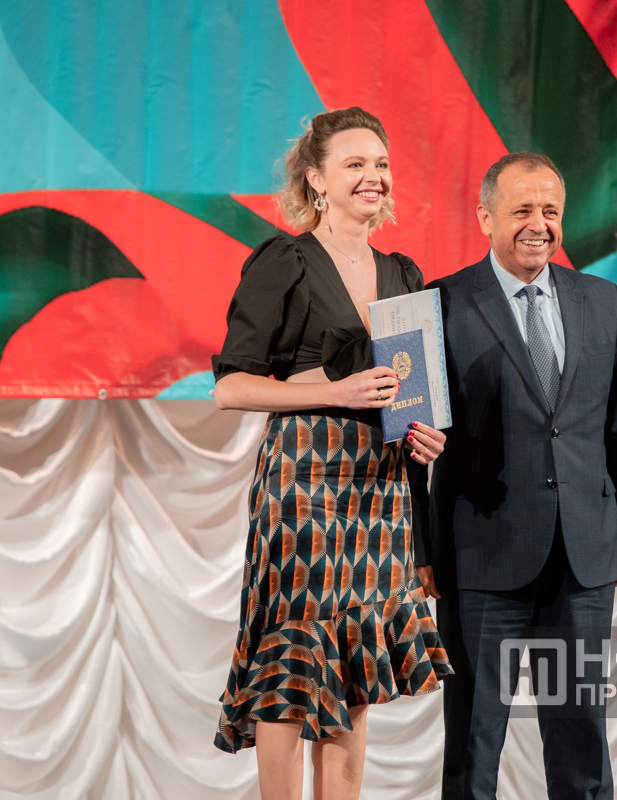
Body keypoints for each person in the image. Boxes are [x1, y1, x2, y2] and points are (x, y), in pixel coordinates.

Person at [211, 107, 452, 800]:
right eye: (355, 164)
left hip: (381, 490)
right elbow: (230, 387)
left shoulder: (404, 273)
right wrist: (337, 392)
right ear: (317, 180)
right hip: (304, 485)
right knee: (291, 667)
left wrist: (427, 437)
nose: (373, 176)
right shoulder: (284, 262)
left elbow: (413, 397)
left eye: (380, 163)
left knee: (355, 670)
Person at [416, 152, 617, 800]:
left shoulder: (601, 300)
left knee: (582, 745)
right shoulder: (439, 303)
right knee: (473, 746)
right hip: (480, 559)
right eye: (522, 210)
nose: (538, 225)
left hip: (584, 558)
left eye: (550, 211)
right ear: (486, 217)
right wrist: (422, 548)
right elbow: (411, 445)